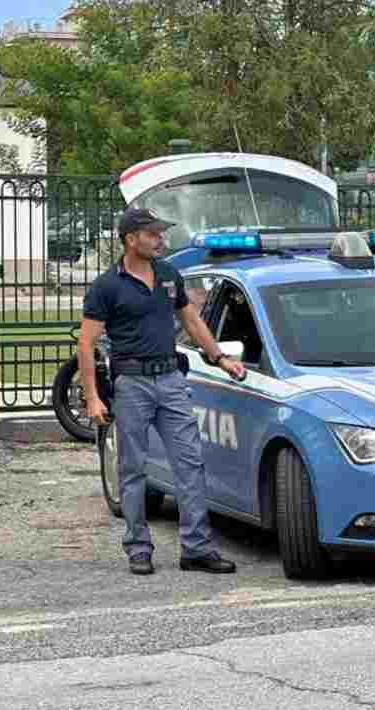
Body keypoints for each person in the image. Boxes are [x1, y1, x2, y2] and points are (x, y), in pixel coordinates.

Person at [79, 207, 248, 575]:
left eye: (160, 234)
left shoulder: (169, 275)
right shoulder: (107, 286)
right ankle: (138, 548)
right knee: (133, 468)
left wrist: (220, 358)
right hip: (131, 384)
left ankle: (196, 549)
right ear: (130, 239)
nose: (160, 240)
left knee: (190, 464)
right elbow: (86, 343)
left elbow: (192, 320)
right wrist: (92, 396)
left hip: (171, 380)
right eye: (152, 234)